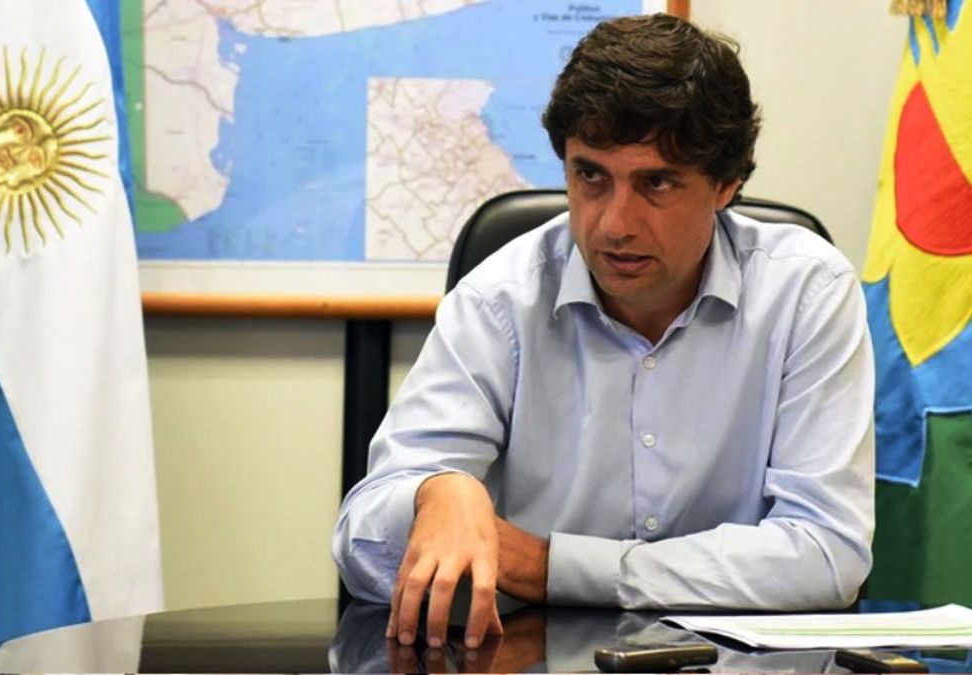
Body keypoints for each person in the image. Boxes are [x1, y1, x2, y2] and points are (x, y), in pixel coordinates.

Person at [332, 12, 874, 651]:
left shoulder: (806, 292)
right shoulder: (499, 300)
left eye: (657, 183)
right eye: (591, 175)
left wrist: (550, 567)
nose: (615, 224)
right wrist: (432, 494)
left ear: (726, 186)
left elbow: (828, 553)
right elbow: (361, 542)